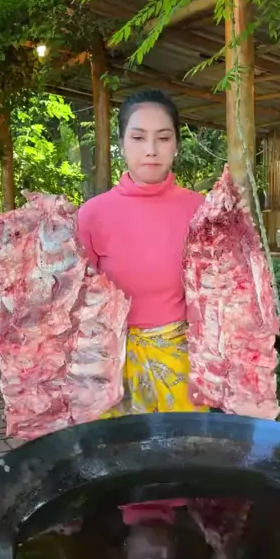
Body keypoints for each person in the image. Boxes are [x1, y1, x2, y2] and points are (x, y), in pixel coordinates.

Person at [77, 89, 207, 416]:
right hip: (112, 365)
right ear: (122, 143)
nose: (151, 150)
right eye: (138, 137)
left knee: (185, 446)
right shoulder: (93, 215)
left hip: (182, 364)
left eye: (163, 138)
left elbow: (220, 294)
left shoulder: (202, 211)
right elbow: (75, 300)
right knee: (118, 448)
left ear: (176, 144)